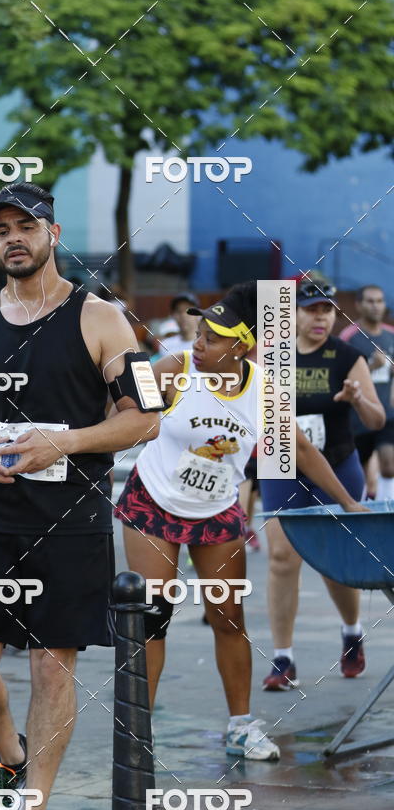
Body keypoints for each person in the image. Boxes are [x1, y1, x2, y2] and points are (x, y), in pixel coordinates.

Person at [0, 181, 161, 810]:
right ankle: (12, 757)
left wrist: (66, 441)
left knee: (51, 670)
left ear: (52, 234)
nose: (13, 239)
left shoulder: (101, 318)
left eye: (24, 227)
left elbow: (145, 420)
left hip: (69, 518)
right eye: (1, 230)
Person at [115, 281, 369, 761]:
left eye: (212, 336)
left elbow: (302, 449)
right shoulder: (175, 367)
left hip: (216, 511)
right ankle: (136, 732)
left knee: (228, 618)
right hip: (153, 502)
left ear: (242, 345)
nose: (199, 342)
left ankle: (240, 725)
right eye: (200, 330)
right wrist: (133, 395)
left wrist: (348, 502)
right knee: (152, 618)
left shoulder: (263, 390)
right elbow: (121, 409)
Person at [260, 280, 385, 691]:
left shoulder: (348, 356)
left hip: (337, 463)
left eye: (328, 310)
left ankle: (351, 631)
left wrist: (356, 399)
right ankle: (283, 658)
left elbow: (377, 421)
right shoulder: (274, 357)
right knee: (281, 558)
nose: (320, 318)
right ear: (293, 313)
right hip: (282, 462)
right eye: (312, 309)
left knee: (335, 562)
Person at [340, 285, 394, 501]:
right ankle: (363, 507)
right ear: (359, 305)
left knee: (389, 466)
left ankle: (386, 510)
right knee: (357, 473)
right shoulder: (349, 337)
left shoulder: (391, 335)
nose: (376, 306)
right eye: (370, 301)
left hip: (387, 413)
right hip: (358, 415)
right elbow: (340, 375)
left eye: (380, 301)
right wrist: (371, 366)